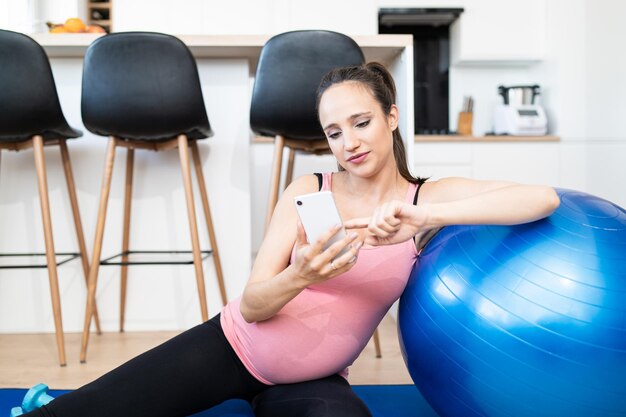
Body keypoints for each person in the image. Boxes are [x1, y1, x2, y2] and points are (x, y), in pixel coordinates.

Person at [23, 62, 560, 417]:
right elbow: (254, 305)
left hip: (312, 382)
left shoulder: (425, 198)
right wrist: (301, 274)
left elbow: (541, 198)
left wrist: (424, 218)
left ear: (391, 118)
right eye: (334, 132)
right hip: (230, 348)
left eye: (361, 122)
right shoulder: (309, 189)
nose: (349, 143)